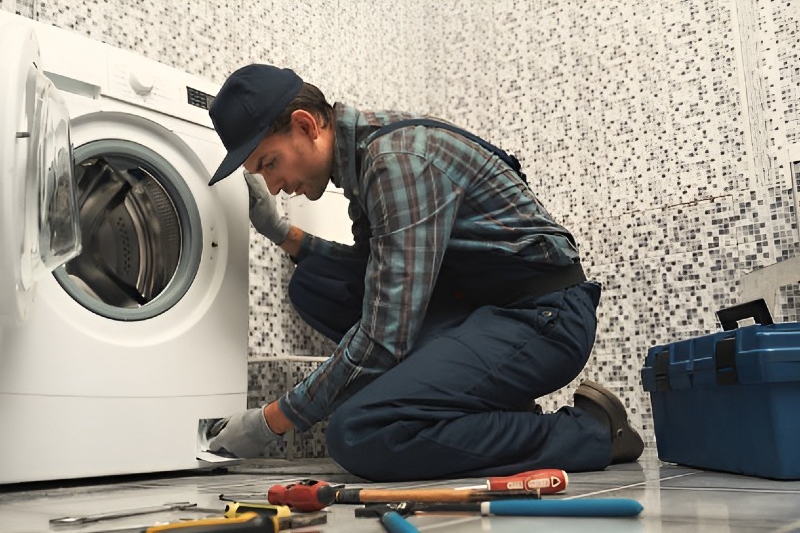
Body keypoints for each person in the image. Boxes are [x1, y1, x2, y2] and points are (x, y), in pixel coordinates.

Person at [204, 63, 644, 481]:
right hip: (484, 313)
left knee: (359, 432)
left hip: (543, 318)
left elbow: (384, 335)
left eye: (269, 163)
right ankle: (478, 407)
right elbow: (377, 274)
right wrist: (282, 233)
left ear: (305, 125)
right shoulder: (363, 162)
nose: (274, 185)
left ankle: (591, 432)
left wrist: (273, 420)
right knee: (316, 282)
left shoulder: (395, 160)